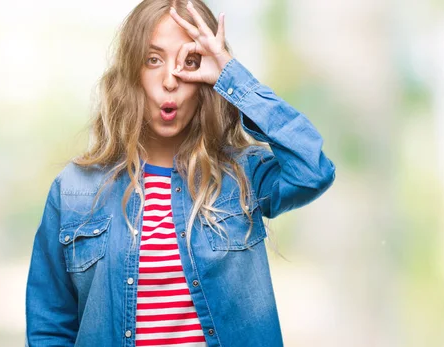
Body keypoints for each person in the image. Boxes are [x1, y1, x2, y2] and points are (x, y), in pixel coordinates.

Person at [25, 0, 336, 346]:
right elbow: (49, 328)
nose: (170, 79)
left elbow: (313, 170)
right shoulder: (74, 190)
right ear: (131, 72)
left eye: (191, 62)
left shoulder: (241, 174)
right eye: (152, 59)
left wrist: (231, 76)